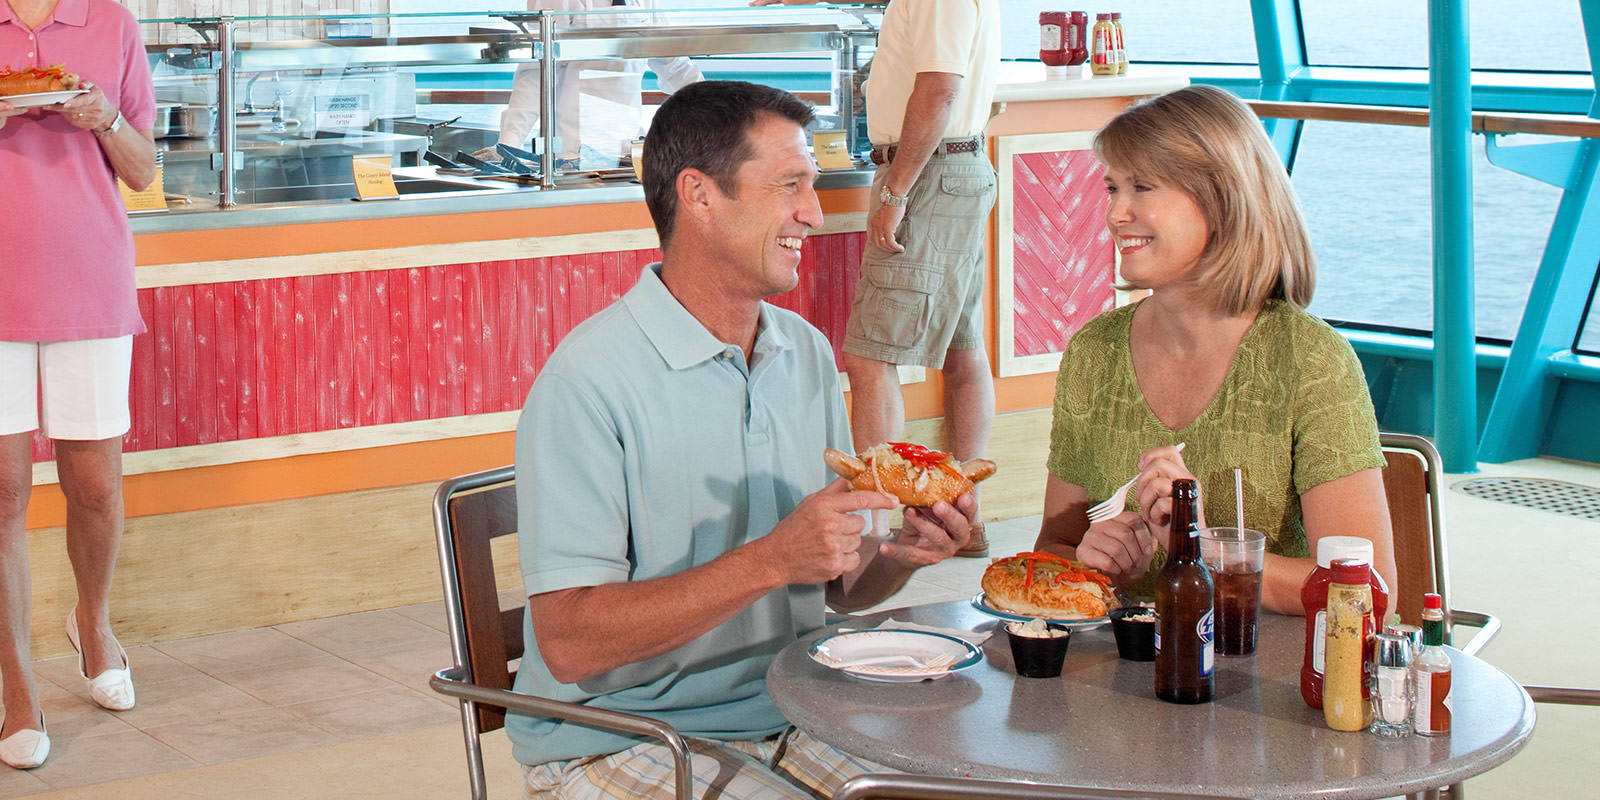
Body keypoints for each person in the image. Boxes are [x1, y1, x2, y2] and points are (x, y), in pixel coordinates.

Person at [506, 80, 976, 799]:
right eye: (790, 185)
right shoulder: (586, 383)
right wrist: (770, 559)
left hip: (792, 713)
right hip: (623, 738)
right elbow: (569, 644)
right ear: (699, 196)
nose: (814, 213)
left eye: (811, 185)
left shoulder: (804, 351)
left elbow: (837, 587)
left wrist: (901, 556)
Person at [1031, 84, 1398, 615]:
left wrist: (1205, 550)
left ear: (1221, 200)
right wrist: (1094, 566)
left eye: (1142, 187)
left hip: (1260, 662)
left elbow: (1364, 590)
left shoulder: (1310, 360)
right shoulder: (1095, 351)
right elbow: (1054, 548)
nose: (1115, 214)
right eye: (1113, 188)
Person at [758, 0, 1002, 556]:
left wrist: (895, 191)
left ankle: (869, 533)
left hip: (927, 174)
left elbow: (939, 90)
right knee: (963, 347)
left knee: (870, 357)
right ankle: (963, 519)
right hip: (950, 168)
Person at [0, 0, 157, 770]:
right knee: (3, 493)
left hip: (90, 280)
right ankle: (18, 690)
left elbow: (143, 169)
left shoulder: (112, 23)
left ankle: (93, 625)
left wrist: (104, 118)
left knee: (94, 486)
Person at [489, 0, 701, 169]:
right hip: (572, 157)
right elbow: (537, 72)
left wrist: (714, 111)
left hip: (629, 153)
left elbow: (674, 64)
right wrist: (509, 143)